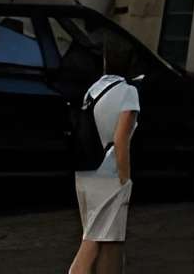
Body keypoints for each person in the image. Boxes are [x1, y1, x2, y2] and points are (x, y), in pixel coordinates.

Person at [69, 28, 140, 274]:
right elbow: (122, 139)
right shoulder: (129, 92)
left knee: (111, 240)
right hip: (109, 174)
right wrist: (126, 179)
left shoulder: (94, 89)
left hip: (86, 171)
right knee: (92, 242)